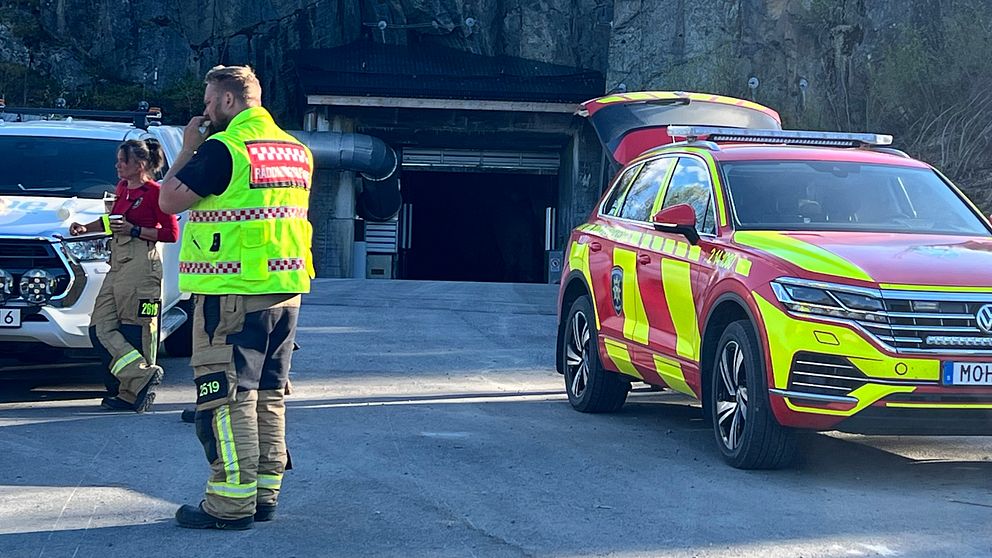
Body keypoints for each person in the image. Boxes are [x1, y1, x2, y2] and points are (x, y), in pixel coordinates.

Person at [159, 65, 314, 530]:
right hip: (285, 294)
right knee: (269, 394)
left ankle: (229, 504)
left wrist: (187, 147)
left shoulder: (224, 149)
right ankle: (264, 495)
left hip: (231, 295)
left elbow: (167, 201)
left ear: (228, 101)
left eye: (209, 102)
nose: (205, 112)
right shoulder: (297, 151)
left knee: (227, 399)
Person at [70, 139, 179, 413]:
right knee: (100, 327)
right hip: (117, 262)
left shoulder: (155, 192)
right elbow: (113, 220)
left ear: (139, 165)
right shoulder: (121, 189)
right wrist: (86, 228)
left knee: (138, 326)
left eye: (123, 161)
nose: (117, 165)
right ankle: (139, 374)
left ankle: (133, 393)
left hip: (142, 264)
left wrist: (134, 230)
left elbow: (170, 233)